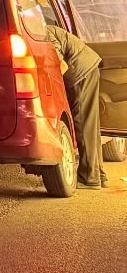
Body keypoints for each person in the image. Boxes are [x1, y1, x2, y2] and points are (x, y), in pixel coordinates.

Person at [44, 18, 105, 188]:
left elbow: (60, 66)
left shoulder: (43, 35)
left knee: (83, 124)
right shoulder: (48, 30)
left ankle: (88, 178)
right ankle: (99, 174)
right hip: (89, 67)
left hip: (80, 73)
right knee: (91, 126)